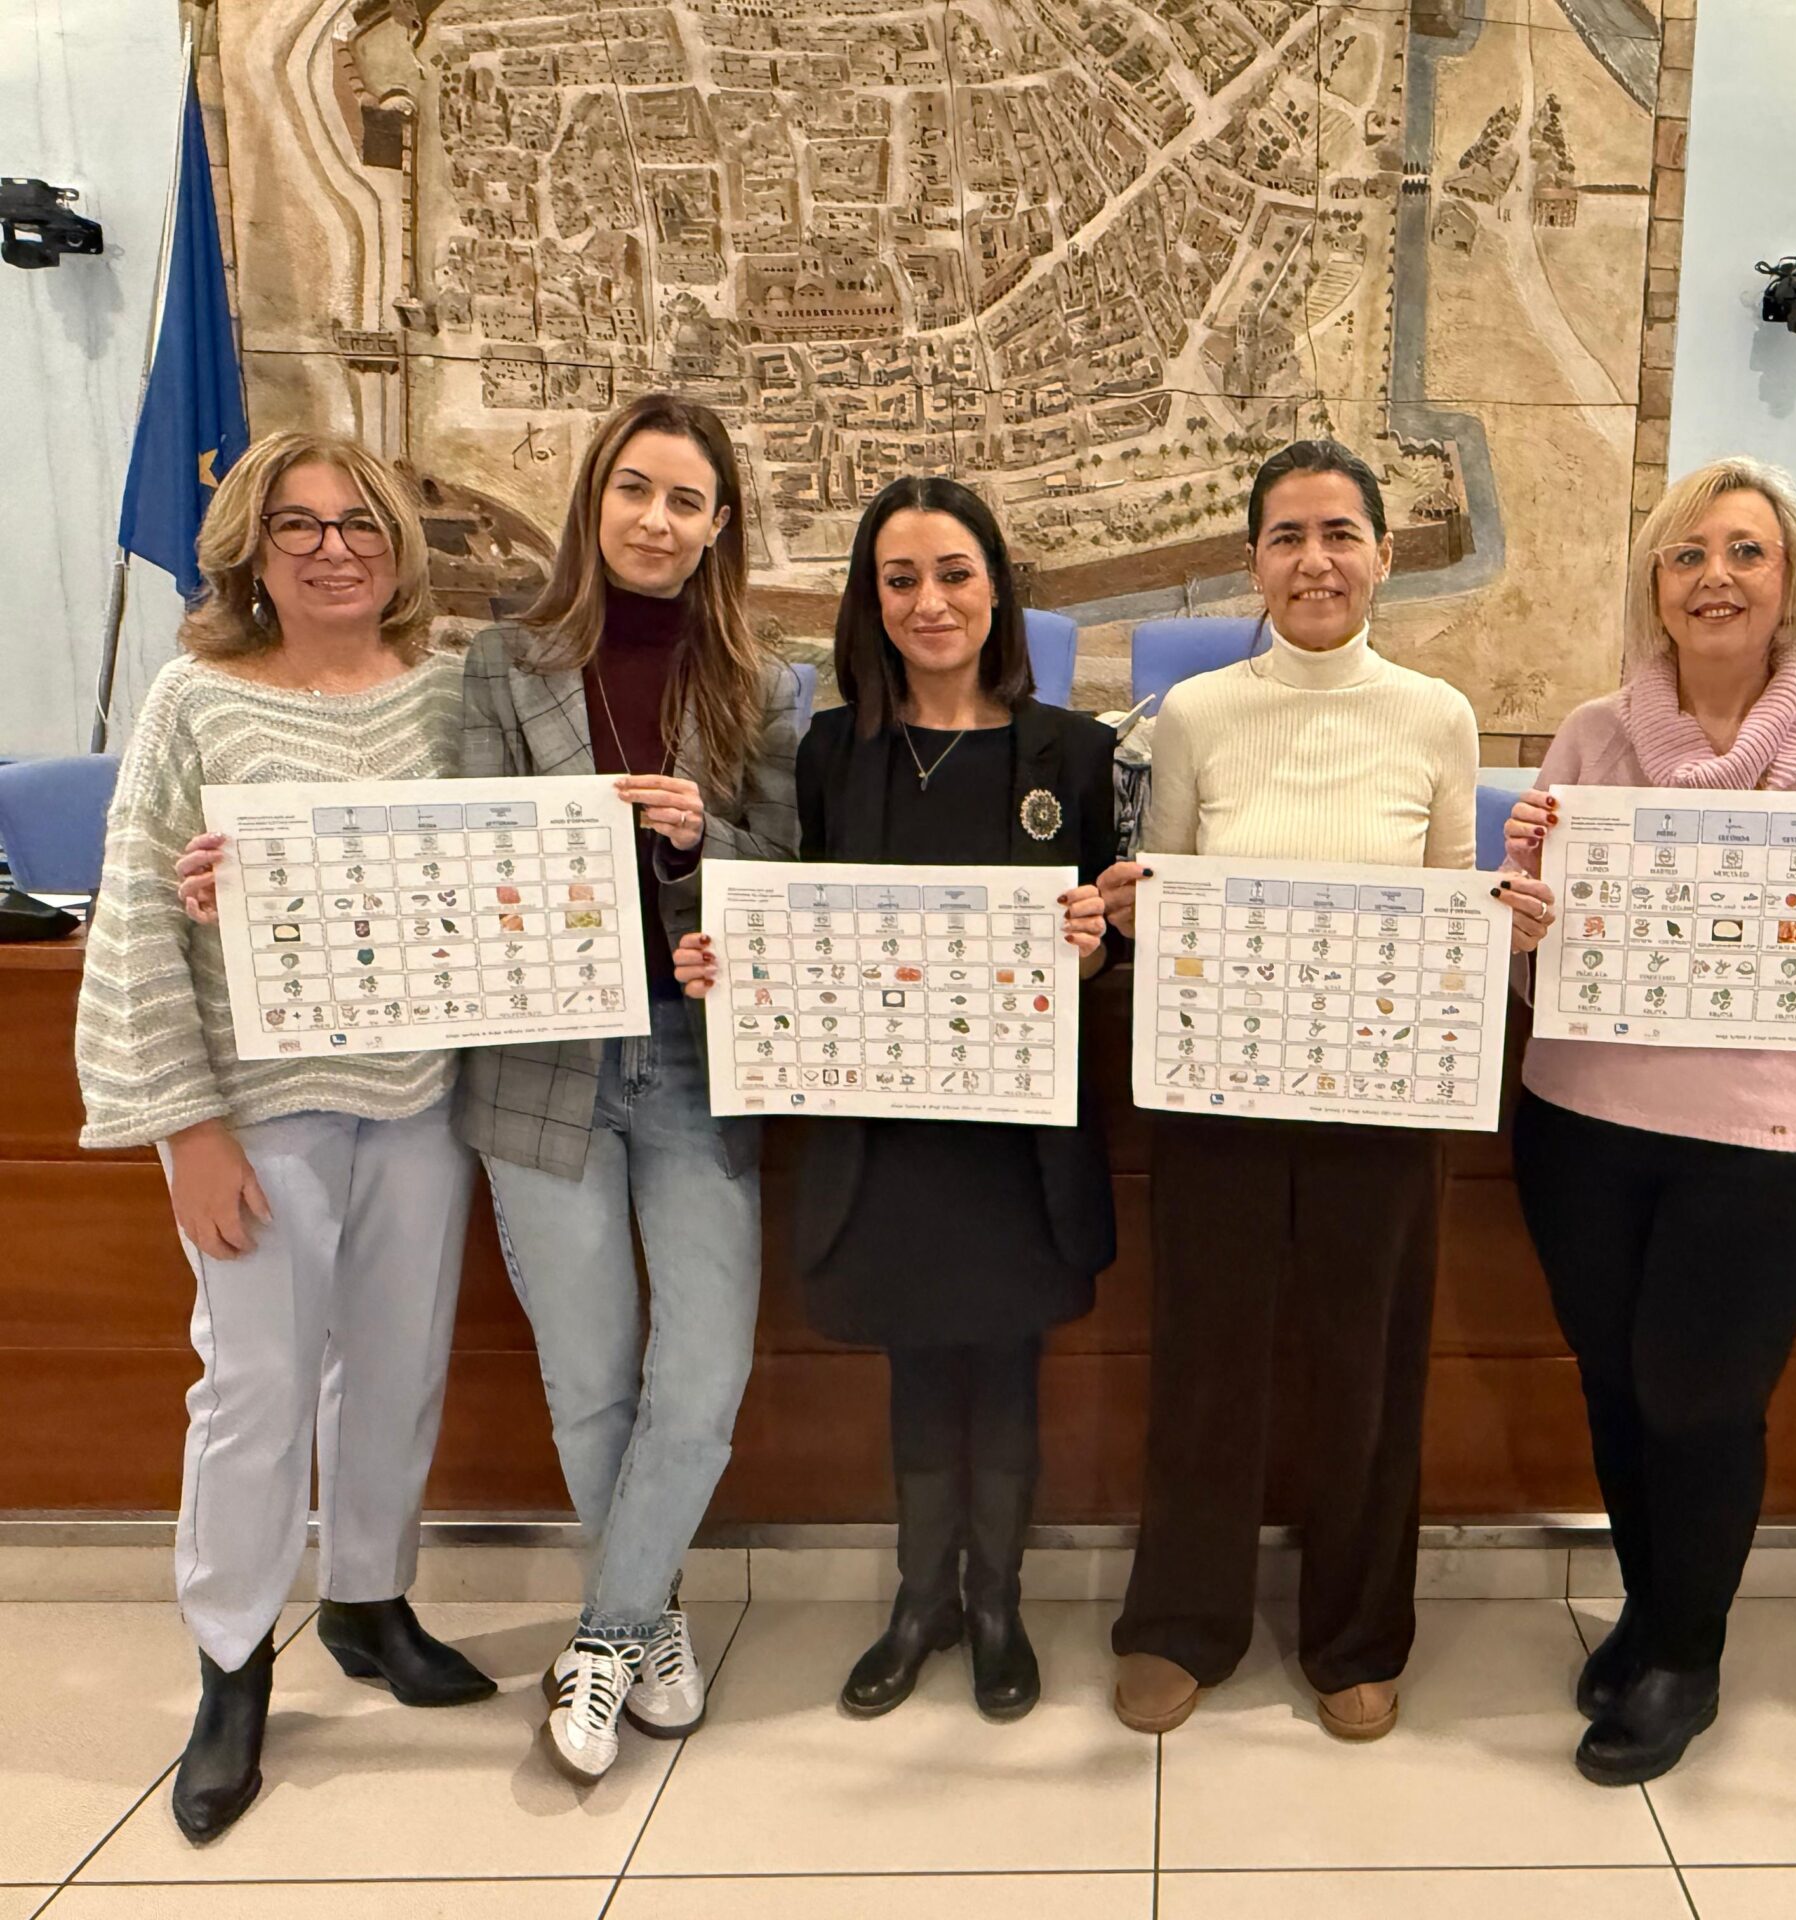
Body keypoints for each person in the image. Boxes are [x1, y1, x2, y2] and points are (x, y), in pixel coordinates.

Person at [1486, 456, 1796, 1785]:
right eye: (1687, 553)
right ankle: (1653, 1611)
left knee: (1699, 1399)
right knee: (1614, 1382)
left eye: (1745, 552)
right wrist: (1519, 917)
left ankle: (1685, 1653)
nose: (1715, 576)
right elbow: (1542, 969)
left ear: (1790, 582)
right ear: (1654, 586)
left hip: (1771, 1139)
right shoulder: (1592, 739)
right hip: (1584, 1117)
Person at [92, 433, 491, 1844]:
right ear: (249, 552)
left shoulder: (450, 692)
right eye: (299, 526)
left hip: (422, 1099)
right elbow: (135, 911)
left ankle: (370, 1603)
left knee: (396, 1364)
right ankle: (232, 1662)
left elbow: (495, 869)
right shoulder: (195, 697)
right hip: (257, 1109)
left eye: (358, 523)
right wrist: (185, 1125)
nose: (334, 550)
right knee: (255, 1386)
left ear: (397, 544)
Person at [676, 475, 1115, 1722]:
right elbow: (786, 913)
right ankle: (920, 1602)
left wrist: (1094, 948)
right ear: (871, 602)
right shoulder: (829, 752)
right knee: (917, 1371)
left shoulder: (1075, 754)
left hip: (1017, 1142)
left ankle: (998, 1606)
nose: (931, 602)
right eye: (901, 578)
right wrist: (726, 958)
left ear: (997, 590)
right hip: (885, 1134)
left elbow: (1109, 946)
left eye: (955, 574)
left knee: (1009, 1369)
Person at [1098, 439, 1479, 1743]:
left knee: (1366, 1373)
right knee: (1207, 1364)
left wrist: (1498, 919)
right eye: (1286, 537)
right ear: (1253, 563)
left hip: (1384, 1098)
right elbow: (1161, 895)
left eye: (1339, 534)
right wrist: (1131, 910)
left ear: (1383, 554)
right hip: (1218, 1094)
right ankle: (1180, 1621)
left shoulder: (1437, 714)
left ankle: (1355, 1637)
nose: (1314, 561)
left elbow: (1449, 904)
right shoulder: (1196, 714)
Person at [451, 394, 800, 1782]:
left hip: (700, 1055)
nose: (657, 521)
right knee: (589, 1376)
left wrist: (706, 838)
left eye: (687, 501)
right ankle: (648, 1621)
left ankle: (601, 1633)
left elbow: (798, 867)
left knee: (701, 1375)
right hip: (542, 1063)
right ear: (594, 500)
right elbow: (469, 861)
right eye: (635, 491)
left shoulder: (766, 683)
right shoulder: (504, 663)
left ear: (720, 527)